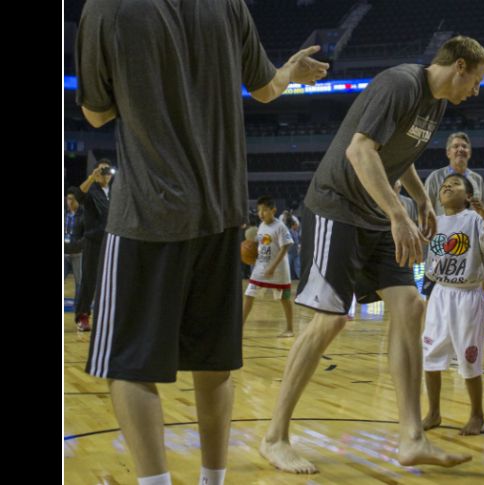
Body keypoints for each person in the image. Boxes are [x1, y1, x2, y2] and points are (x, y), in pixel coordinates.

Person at [76, 0, 329, 482]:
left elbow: (94, 112)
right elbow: (267, 89)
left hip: (148, 215)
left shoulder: (106, 7)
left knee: (128, 367)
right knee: (214, 367)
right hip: (221, 209)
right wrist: (290, 71)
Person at [259, 35, 484, 474]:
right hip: (337, 206)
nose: (475, 91)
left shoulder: (435, 103)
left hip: (375, 213)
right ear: (459, 66)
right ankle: (275, 437)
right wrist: (398, 216)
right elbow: (360, 149)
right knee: (330, 319)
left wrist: (421, 200)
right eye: (476, 81)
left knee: (410, 305)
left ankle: (412, 438)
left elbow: (397, 156)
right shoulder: (400, 84)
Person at [421, 174, 484, 436]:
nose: (447, 186)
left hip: (467, 295)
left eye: (455, 184)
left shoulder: (475, 219)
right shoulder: (435, 221)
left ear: (468, 196)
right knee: (430, 356)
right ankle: (433, 413)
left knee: (469, 357)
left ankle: (477, 414)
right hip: (440, 293)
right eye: (445, 184)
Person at [243, 196, 295, 337]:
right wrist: (251, 252)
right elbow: (262, 245)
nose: (261, 213)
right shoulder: (261, 226)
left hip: (279, 270)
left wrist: (272, 267)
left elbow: (286, 247)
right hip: (261, 267)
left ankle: (290, 329)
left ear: (273, 210)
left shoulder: (280, 226)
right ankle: (239, 327)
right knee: (249, 294)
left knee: (285, 299)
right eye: (259, 210)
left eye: (265, 210)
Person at [72, 159, 113, 332]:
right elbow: (78, 195)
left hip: (112, 240)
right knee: (89, 280)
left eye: (107, 171)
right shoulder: (91, 190)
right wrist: (91, 177)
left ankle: (110, 316)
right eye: (101, 171)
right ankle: (82, 316)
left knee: (111, 281)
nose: (105, 174)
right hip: (93, 241)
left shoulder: (116, 191)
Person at [424, 132, 484, 215]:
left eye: (464, 146)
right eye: (456, 146)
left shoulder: (477, 179)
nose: (460, 149)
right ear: (448, 153)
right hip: (445, 227)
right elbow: (426, 210)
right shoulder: (435, 178)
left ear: (469, 153)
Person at [64, 187, 85, 305]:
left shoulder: (84, 215)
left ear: (78, 200)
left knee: (79, 283)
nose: (69, 202)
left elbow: (86, 235)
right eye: (68, 199)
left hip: (77, 254)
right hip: (64, 254)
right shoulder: (64, 213)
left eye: (72, 199)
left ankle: (78, 307)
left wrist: (77, 245)